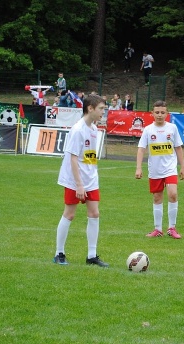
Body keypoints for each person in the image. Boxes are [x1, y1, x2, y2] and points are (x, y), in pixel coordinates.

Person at [53, 94, 109, 267]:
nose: (103, 112)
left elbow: (89, 157)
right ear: (90, 108)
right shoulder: (78, 130)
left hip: (90, 178)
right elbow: (73, 158)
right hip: (74, 179)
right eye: (101, 109)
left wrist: (91, 176)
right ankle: (59, 253)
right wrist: (79, 184)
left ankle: (92, 256)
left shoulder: (93, 128)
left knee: (94, 214)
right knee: (69, 214)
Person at [135, 100, 184, 239]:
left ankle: (172, 228)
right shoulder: (148, 130)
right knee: (157, 198)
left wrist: (182, 166)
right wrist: (138, 168)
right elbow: (141, 149)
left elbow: (178, 148)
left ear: (167, 114)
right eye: (157, 112)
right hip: (155, 170)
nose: (159, 115)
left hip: (170, 169)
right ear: (152, 114)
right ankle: (158, 229)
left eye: (162, 112)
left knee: (173, 194)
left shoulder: (172, 128)